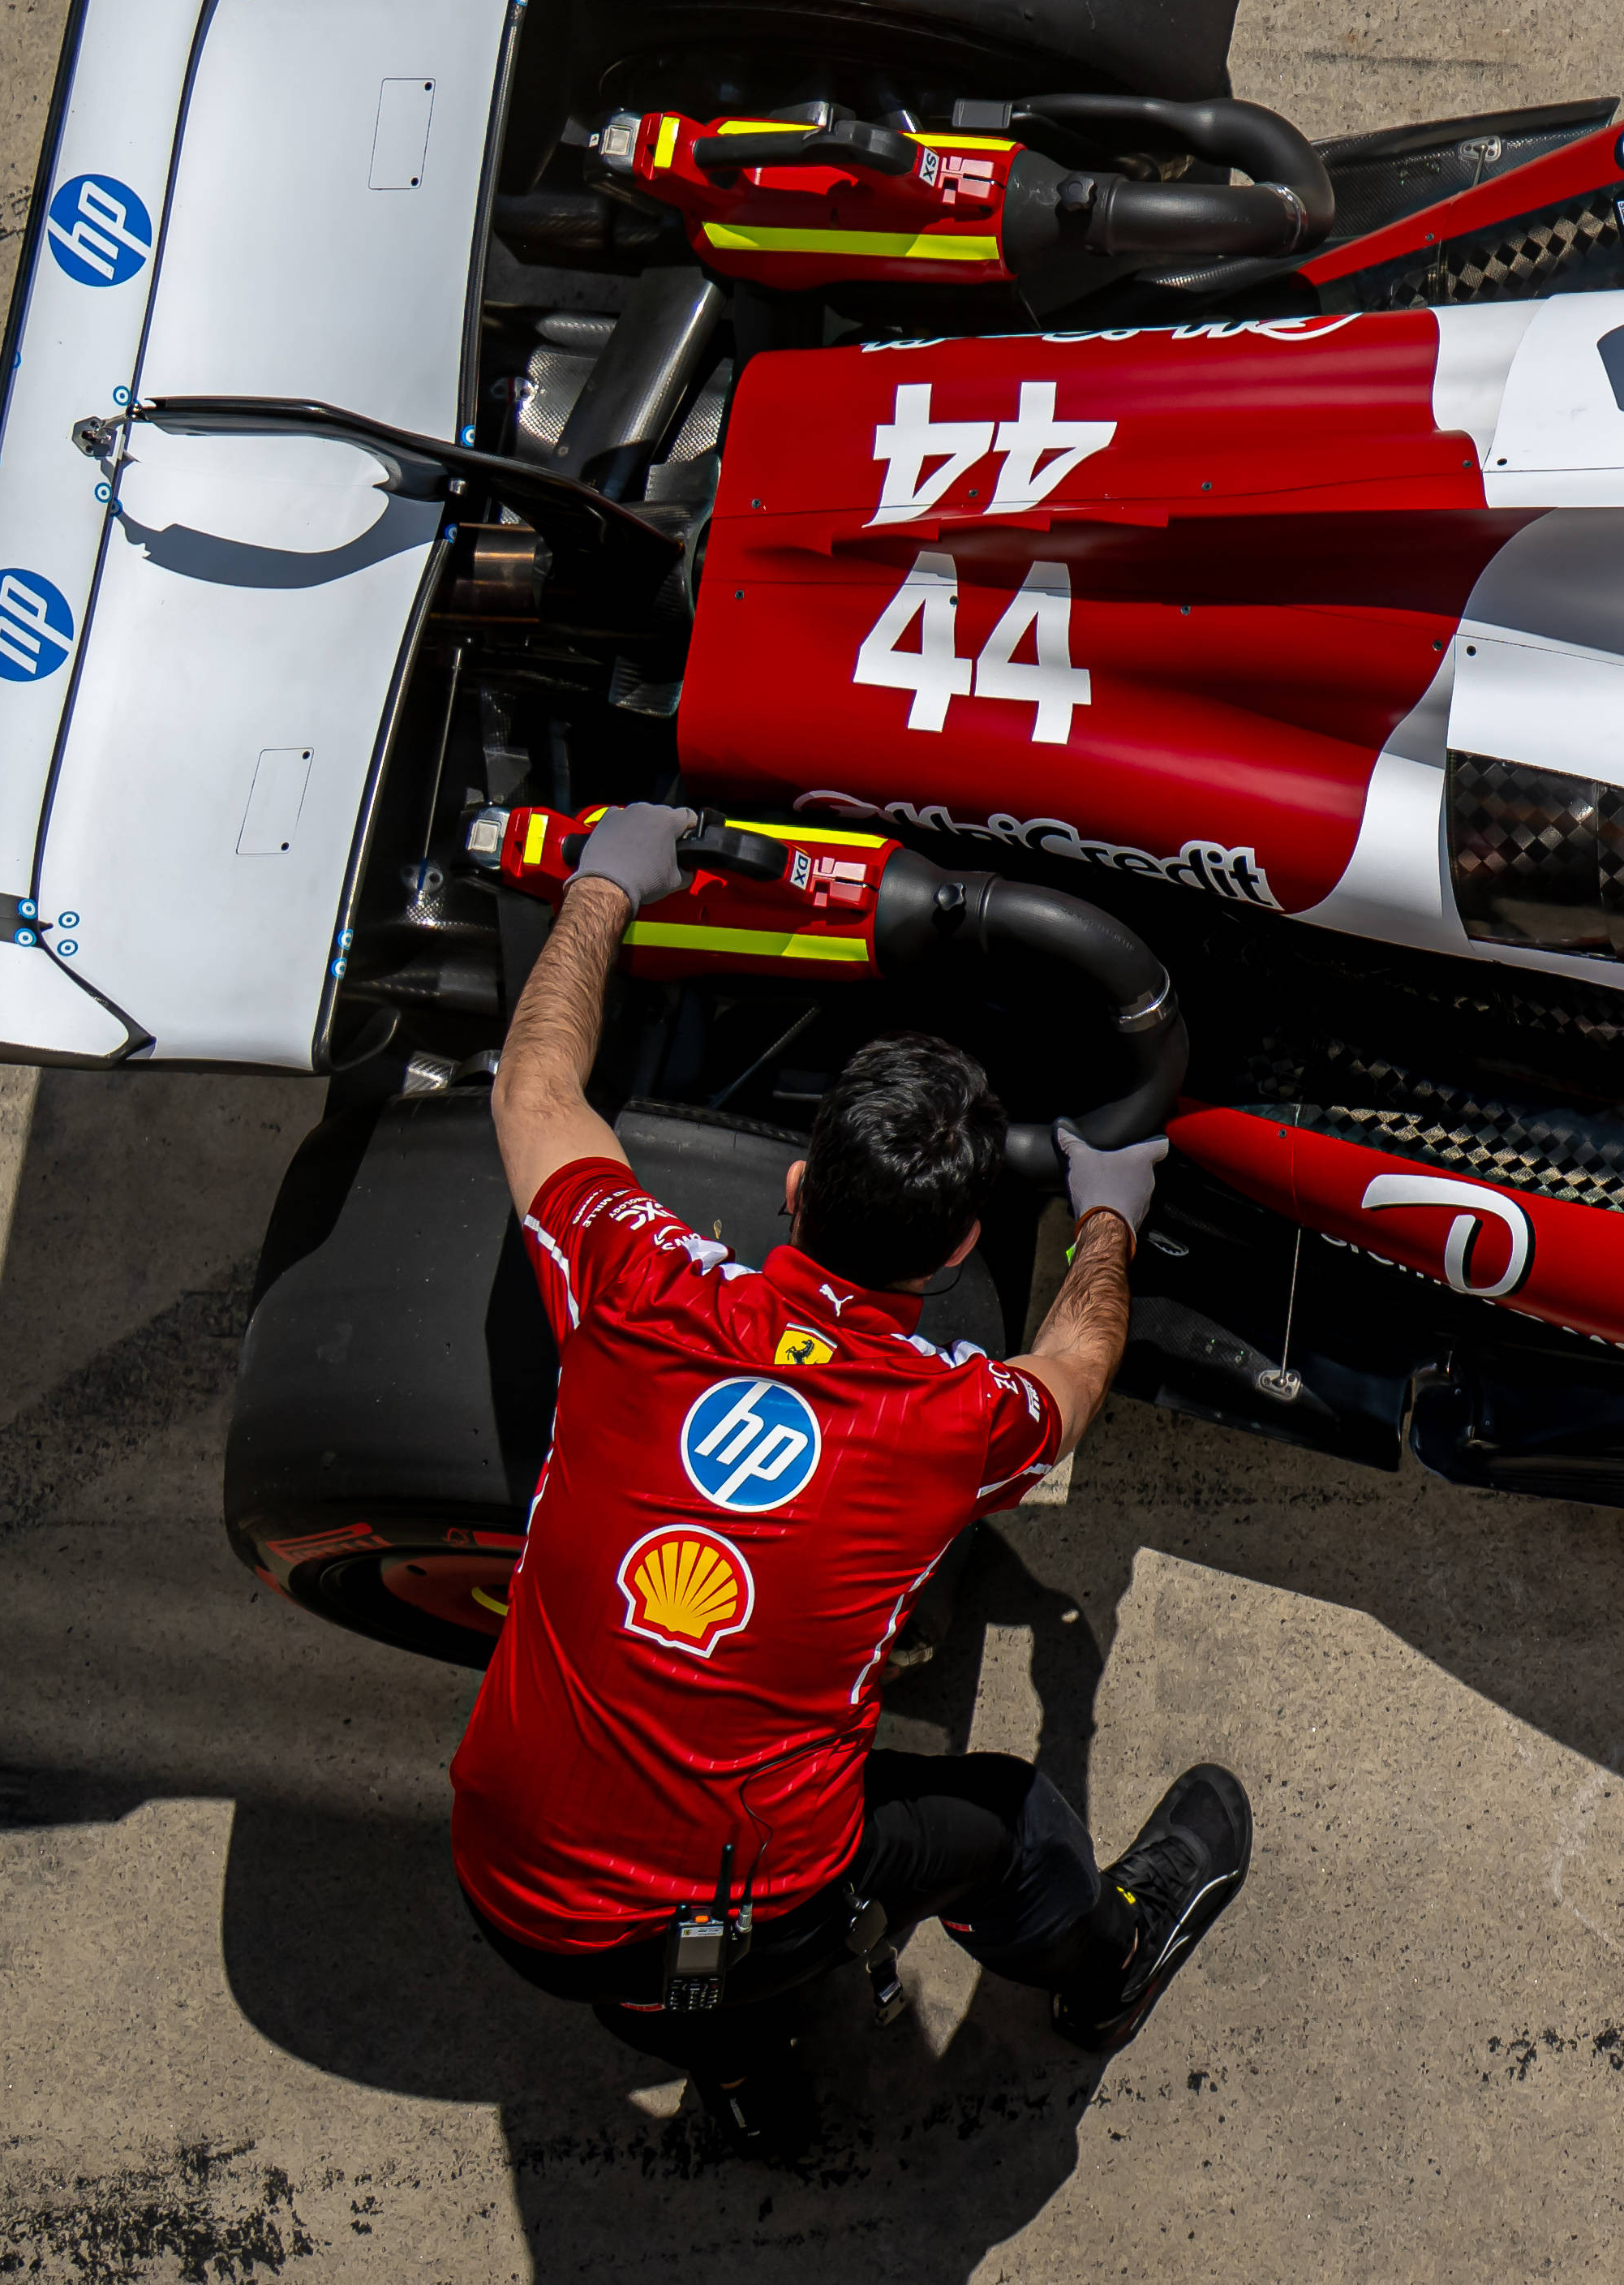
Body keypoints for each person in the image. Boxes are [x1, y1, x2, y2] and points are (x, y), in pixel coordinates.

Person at [449, 802, 1250, 2158]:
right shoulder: (946, 1416)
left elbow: (534, 1089)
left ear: (799, 1182)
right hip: (756, 1902)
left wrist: (602, 886)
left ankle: (750, 2078)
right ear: (951, 1256)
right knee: (1005, 1818)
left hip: (508, 1885)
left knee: (669, 1973)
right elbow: (1072, 1372)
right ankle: (1103, 1960)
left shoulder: (632, 1280)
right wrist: (1107, 1208)